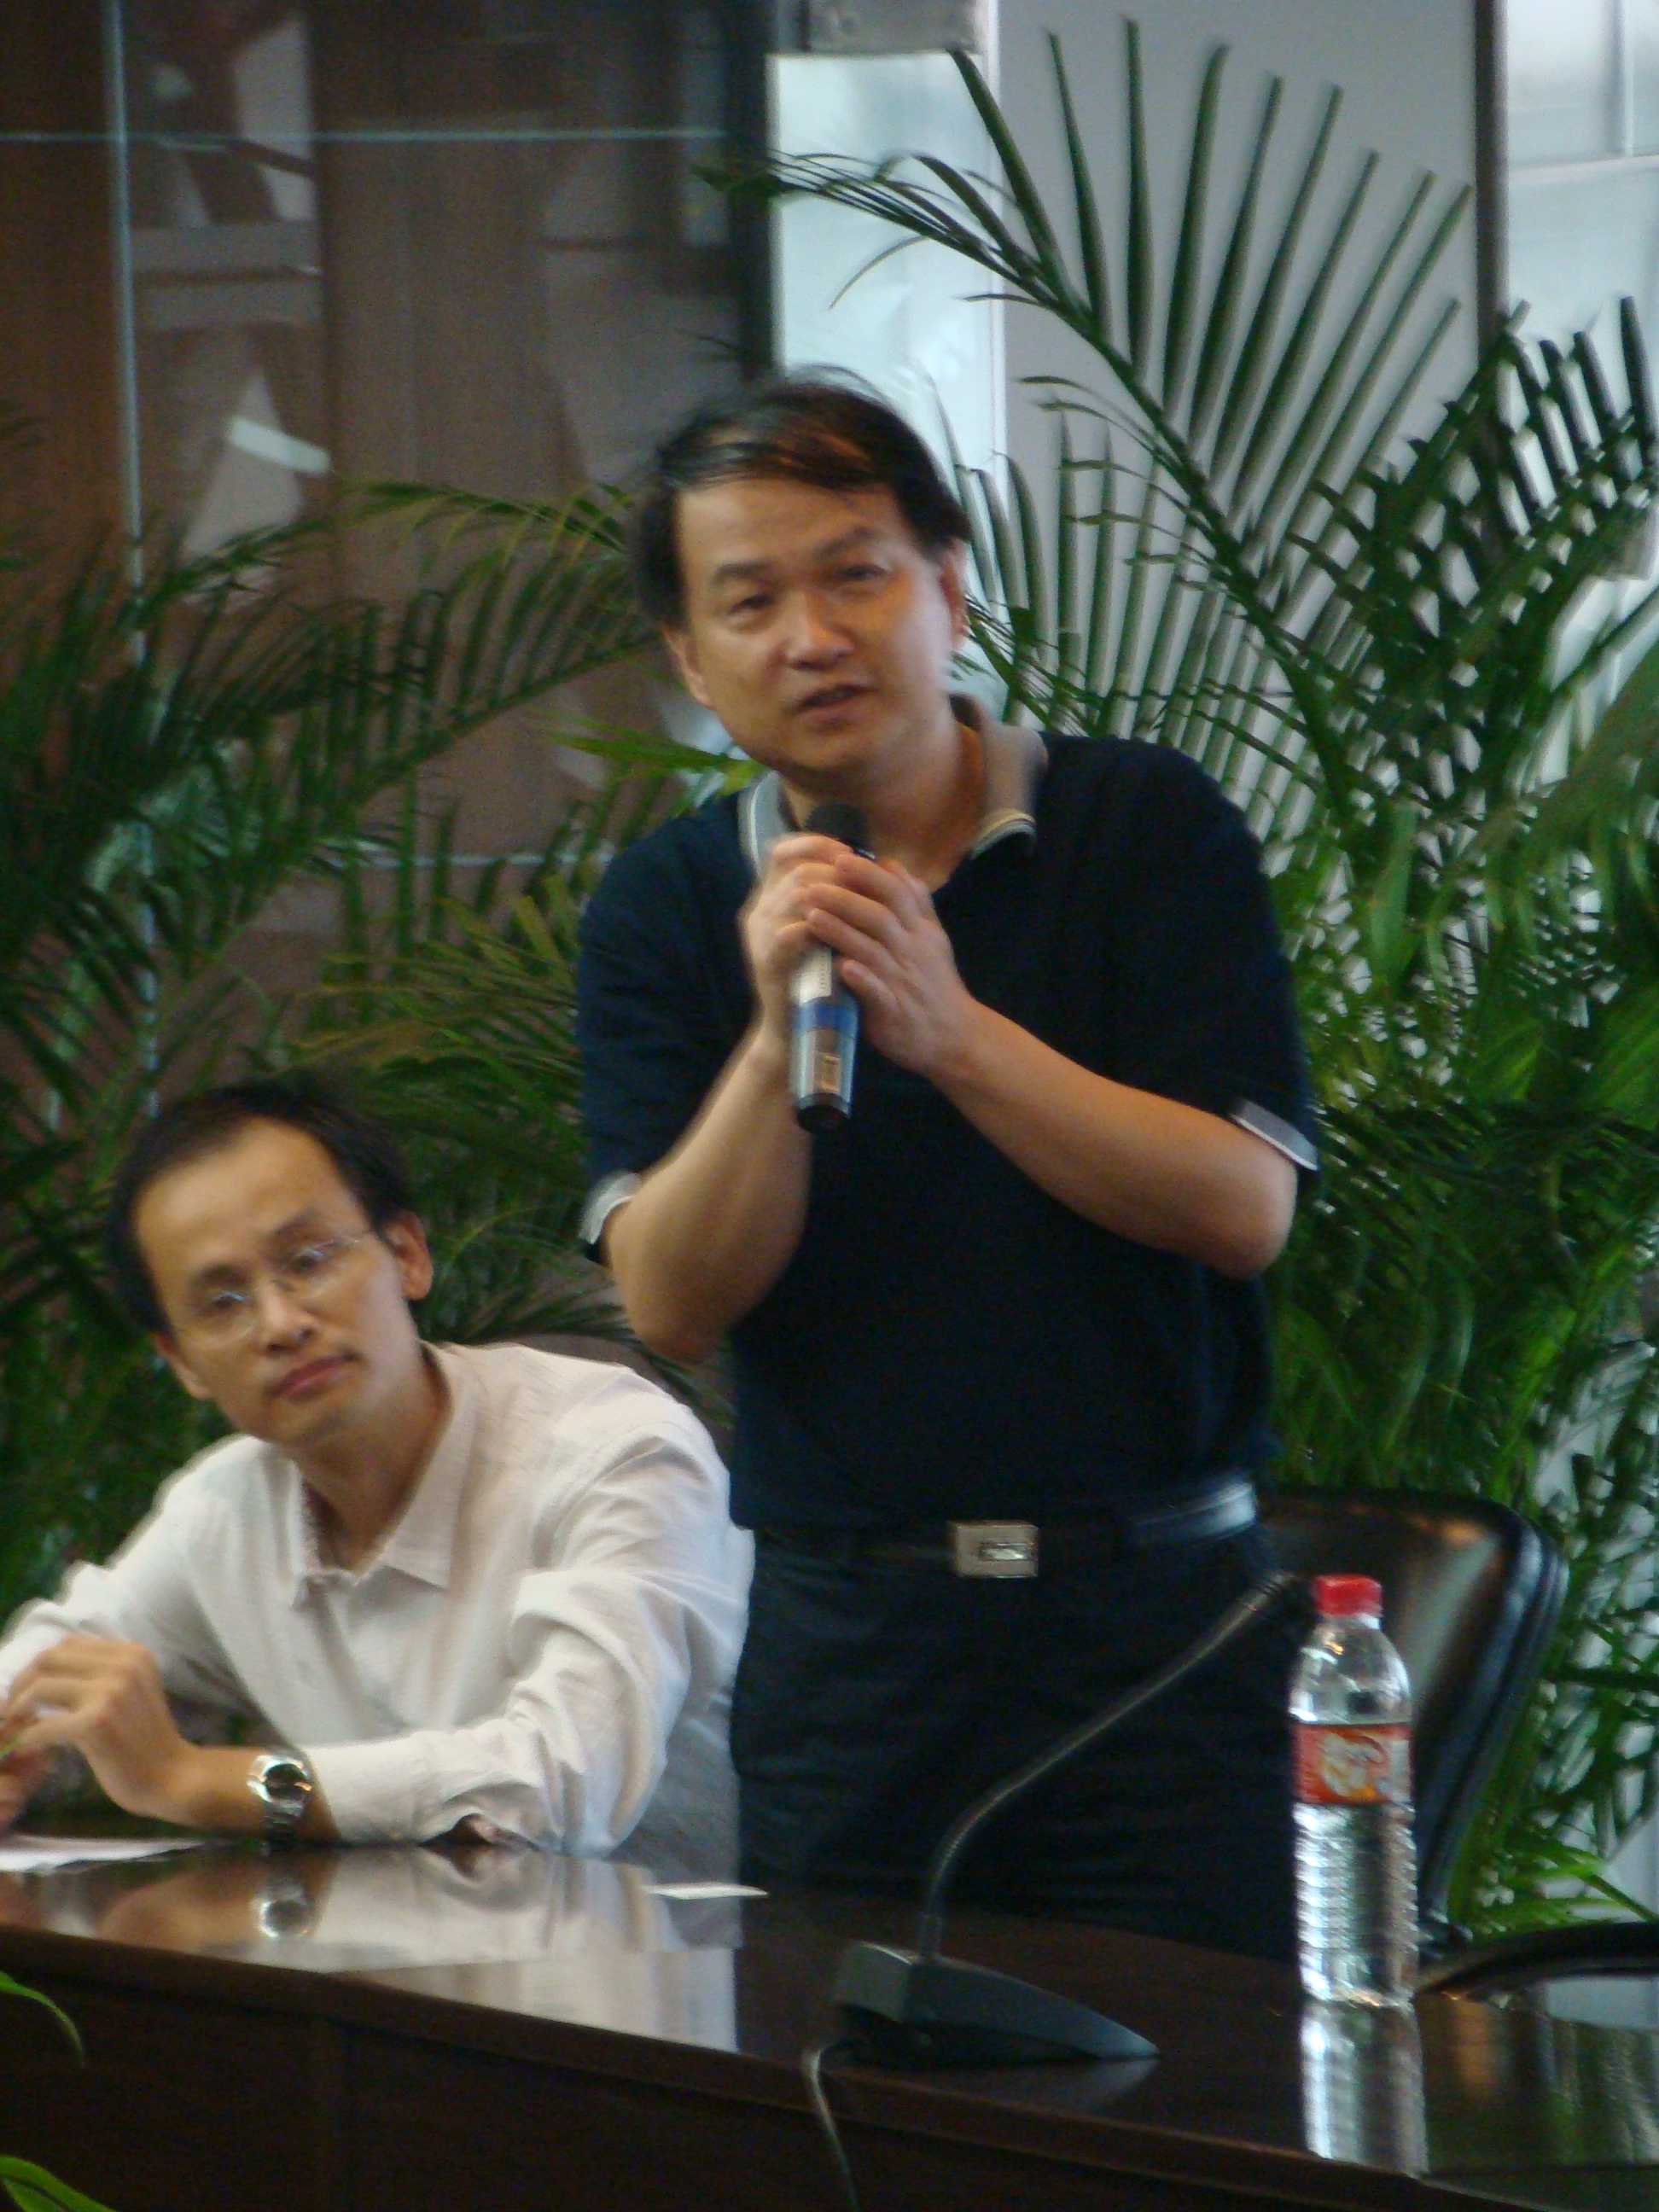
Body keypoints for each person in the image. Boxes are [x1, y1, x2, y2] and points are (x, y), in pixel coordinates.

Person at [574, 375, 1320, 1958]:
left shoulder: (1141, 824)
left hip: (1161, 1639)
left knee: (1202, 2085)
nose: (810, 636)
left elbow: (1241, 1205)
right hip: (854, 1658)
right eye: (748, 602)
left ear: (948, 588)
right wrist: (774, 1039)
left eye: (854, 573)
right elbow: (673, 1302)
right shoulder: (661, 907)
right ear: (690, 659)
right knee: (845, 2083)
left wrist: (951, 1030)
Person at [0, 1078, 745, 1857]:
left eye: (307, 1261)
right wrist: (21, 1752)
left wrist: (192, 1780)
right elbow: (56, 1664)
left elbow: (557, 1783)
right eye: (222, 1303)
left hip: (677, 1928)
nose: (281, 1323)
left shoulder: (612, 1448)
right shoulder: (226, 1509)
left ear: (407, 1255)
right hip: (384, 1936)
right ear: (180, 1360)